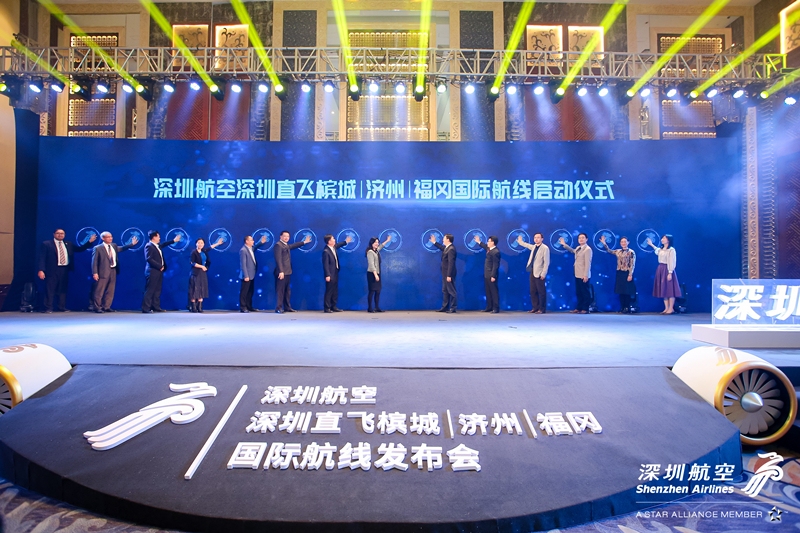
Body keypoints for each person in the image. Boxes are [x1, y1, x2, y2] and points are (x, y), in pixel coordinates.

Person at [37, 228, 96, 313]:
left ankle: (61, 307)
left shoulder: (68, 244)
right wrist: (41, 270)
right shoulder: (47, 244)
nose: (60, 235)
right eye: (58, 233)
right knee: (50, 289)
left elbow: (79, 249)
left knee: (62, 289)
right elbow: (42, 258)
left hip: (64, 269)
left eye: (62, 233)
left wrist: (89, 242)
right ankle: (48, 307)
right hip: (52, 269)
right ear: (54, 234)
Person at [91, 231, 139, 313]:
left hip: (113, 270)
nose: (110, 238)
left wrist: (131, 244)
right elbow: (94, 262)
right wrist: (95, 273)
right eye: (108, 237)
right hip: (103, 271)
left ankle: (106, 306)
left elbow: (122, 248)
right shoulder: (98, 248)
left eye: (111, 236)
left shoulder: (114, 246)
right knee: (99, 291)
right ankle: (97, 307)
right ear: (103, 238)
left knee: (110, 290)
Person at [141, 230, 181, 313]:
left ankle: (156, 306)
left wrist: (173, 241)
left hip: (159, 271)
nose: (159, 238)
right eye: (158, 236)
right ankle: (146, 308)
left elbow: (164, 244)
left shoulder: (157, 246)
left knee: (157, 290)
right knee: (150, 290)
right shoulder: (149, 246)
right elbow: (149, 259)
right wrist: (159, 266)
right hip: (152, 271)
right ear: (154, 237)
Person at [273, 230, 311, 314]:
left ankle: (287, 307)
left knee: (287, 291)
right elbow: (278, 259)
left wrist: (304, 242)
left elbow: (293, 246)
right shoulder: (278, 245)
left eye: (288, 236)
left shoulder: (285, 245)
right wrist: (281, 271)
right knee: (280, 291)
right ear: (280, 237)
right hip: (281, 272)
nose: (286, 238)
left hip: (288, 272)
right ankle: (278, 308)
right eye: (284, 236)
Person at [600, 235, 636, 313]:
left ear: (628, 242)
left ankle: (627, 307)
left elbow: (632, 264)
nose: (623, 243)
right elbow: (609, 251)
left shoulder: (631, 252)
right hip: (619, 273)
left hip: (627, 273)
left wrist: (630, 274)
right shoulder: (618, 251)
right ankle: (622, 307)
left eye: (625, 242)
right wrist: (604, 243)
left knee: (627, 291)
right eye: (622, 242)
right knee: (621, 291)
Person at [648, 234, 681, 314]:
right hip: (661, 268)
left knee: (670, 289)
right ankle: (666, 308)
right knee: (664, 289)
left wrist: (670, 272)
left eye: (664, 238)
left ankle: (671, 308)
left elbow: (672, 261)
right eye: (662, 238)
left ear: (668, 240)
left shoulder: (671, 250)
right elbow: (657, 250)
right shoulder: (661, 249)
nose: (662, 239)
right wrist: (651, 244)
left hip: (667, 269)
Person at [560, 233, 593, 314]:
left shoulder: (587, 249)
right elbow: (573, 251)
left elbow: (588, 263)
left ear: (586, 239)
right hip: (577, 273)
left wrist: (585, 275)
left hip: (583, 274)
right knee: (579, 292)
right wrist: (564, 244)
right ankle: (579, 307)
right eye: (579, 238)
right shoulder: (578, 248)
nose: (581, 239)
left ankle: (585, 308)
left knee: (585, 292)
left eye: (583, 238)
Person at [517, 233, 550, 313]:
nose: (536, 239)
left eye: (538, 237)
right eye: (535, 237)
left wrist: (543, 273)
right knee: (533, 291)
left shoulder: (545, 248)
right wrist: (520, 242)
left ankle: (542, 309)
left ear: (542, 239)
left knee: (541, 292)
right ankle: (535, 307)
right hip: (532, 271)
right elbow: (527, 245)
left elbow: (546, 262)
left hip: (539, 272)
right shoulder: (534, 246)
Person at [189, 237, 224, 313]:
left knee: (202, 288)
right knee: (194, 289)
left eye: (202, 243)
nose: (200, 244)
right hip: (195, 273)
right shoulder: (193, 252)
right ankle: (193, 307)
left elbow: (210, 247)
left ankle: (199, 307)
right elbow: (192, 263)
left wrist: (218, 243)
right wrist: (202, 266)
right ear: (196, 244)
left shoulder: (204, 251)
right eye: (199, 243)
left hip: (203, 273)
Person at [322, 233, 353, 313]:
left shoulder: (333, 247)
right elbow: (325, 264)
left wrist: (346, 242)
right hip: (330, 274)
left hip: (335, 272)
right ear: (329, 241)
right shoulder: (326, 251)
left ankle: (334, 306)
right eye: (333, 239)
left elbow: (338, 245)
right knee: (329, 291)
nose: (334, 240)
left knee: (335, 290)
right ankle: (327, 307)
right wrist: (327, 275)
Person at [238, 234, 268, 313]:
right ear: (247, 241)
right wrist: (246, 275)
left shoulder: (250, 248)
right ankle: (243, 307)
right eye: (251, 240)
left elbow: (255, 247)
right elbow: (243, 264)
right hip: (247, 275)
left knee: (250, 292)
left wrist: (261, 242)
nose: (253, 241)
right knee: (244, 292)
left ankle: (249, 306)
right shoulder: (243, 250)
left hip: (252, 274)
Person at [430, 233, 457, 313]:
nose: (443, 240)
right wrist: (434, 242)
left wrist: (449, 275)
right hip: (445, 273)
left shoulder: (451, 249)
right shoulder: (447, 248)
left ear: (448, 239)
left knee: (451, 291)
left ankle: (453, 308)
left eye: (444, 238)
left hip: (449, 274)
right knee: (445, 290)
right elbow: (442, 247)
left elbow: (451, 263)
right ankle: (445, 307)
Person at [474, 235, 501, 313]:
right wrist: (478, 241)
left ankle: (496, 308)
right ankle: (489, 306)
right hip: (487, 274)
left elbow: (496, 265)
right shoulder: (489, 249)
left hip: (491, 275)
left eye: (489, 241)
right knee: (488, 291)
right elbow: (484, 246)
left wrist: (493, 275)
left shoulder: (496, 252)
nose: (487, 243)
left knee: (494, 292)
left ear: (493, 242)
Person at [366, 235, 392, 313]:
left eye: (378, 242)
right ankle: (370, 308)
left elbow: (381, 246)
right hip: (372, 274)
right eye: (375, 242)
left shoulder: (376, 251)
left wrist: (387, 240)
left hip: (377, 273)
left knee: (378, 291)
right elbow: (371, 264)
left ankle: (377, 307)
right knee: (372, 291)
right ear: (371, 243)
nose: (377, 244)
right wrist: (375, 274)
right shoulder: (370, 252)